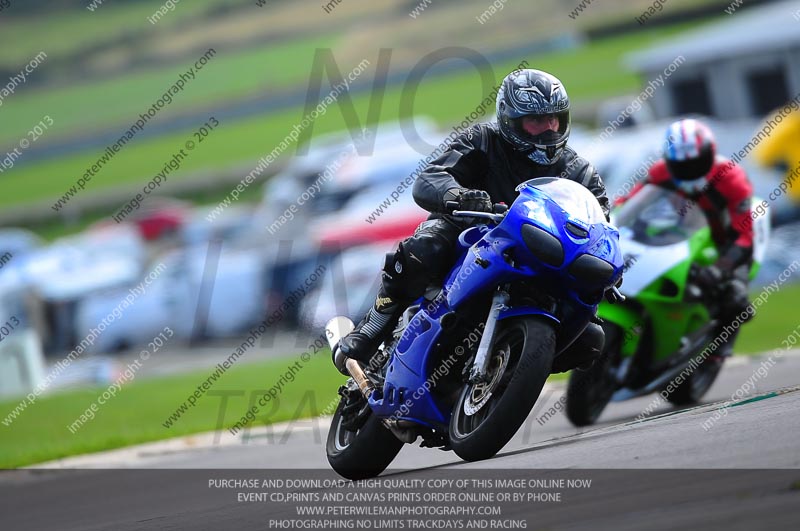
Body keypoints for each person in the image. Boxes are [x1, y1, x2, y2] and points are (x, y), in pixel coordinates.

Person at [335, 68, 610, 372]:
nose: (547, 131)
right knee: (424, 249)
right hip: (470, 233)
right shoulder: (481, 140)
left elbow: (601, 222)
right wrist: (458, 195)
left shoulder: (580, 172)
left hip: (542, 253)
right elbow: (430, 178)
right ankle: (372, 329)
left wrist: (606, 264)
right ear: (510, 119)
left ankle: (510, 376)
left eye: (552, 121)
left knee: (591, 338)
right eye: (535, 122)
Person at [617, 118, 754, 356]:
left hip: (725, 246)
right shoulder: (660, 172)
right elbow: (628, 203)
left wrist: (722, 267)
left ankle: (716, 354)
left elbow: (744, 236)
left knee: (735, 298)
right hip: (682, 237)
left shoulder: (732, 178)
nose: (688, 171)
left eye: (696, 163)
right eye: (680, 165)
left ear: (709, 155)